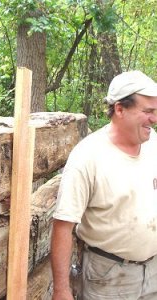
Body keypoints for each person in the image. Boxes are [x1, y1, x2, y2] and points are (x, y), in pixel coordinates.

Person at [51, 70, 157, 300]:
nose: (154, 118)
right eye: (148, 111)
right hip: (108, 276)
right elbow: (63, 226)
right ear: (120, 109)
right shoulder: (88, 157)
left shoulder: (153, 144)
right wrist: (61, 290)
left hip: (154, 272)